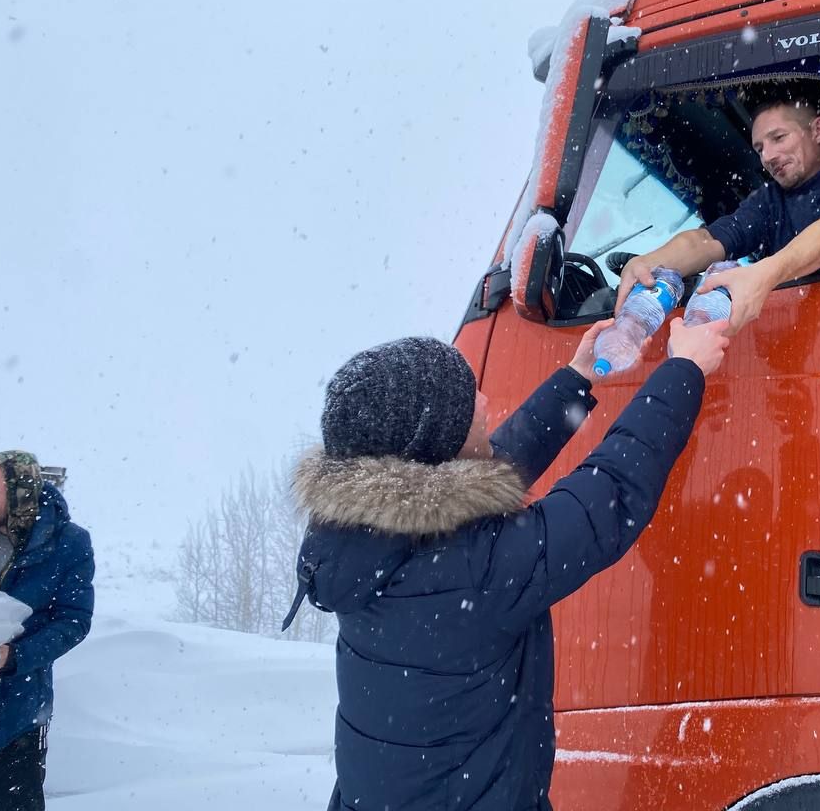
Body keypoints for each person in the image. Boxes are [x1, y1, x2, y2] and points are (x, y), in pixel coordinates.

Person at [282, 316, 730, 811]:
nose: (484, 403)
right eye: (469, 402)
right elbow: (610, 493)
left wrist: (577, 380)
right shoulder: (476, 571)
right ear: (438, 448)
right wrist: (684, 369)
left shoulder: (365, 542)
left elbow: (490, 470)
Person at [614, 83, 820, 331]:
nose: (768, 157)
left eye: (779, 138)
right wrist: (648, 263)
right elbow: (709, 240)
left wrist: (765, 273)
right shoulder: (769, 199)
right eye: (760, 148)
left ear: (818, 130)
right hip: (794, 329)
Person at [0, 451, 95, 811]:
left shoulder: (67, 544)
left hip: (16, 714)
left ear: (19, 494)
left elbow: (72, 621)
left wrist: (12, 657)